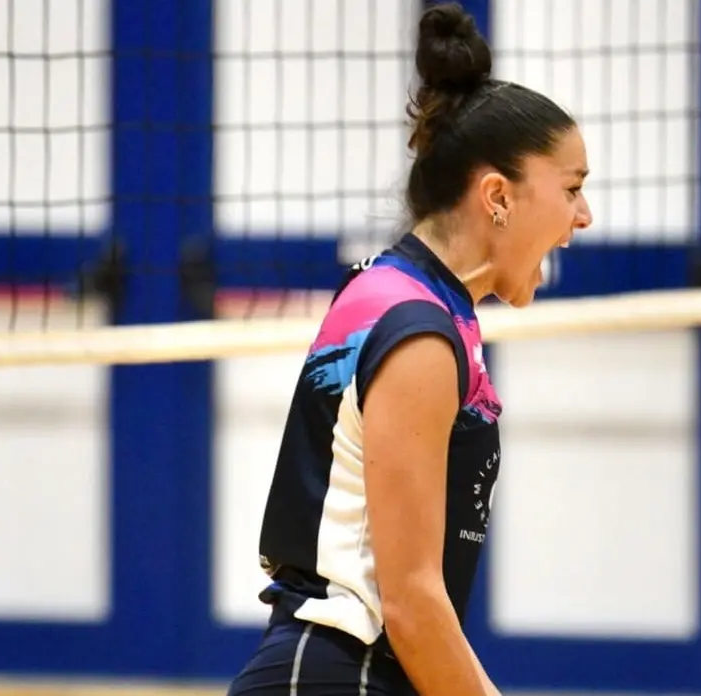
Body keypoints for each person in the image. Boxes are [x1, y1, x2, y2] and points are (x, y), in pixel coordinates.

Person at [225, 3, 592, 695]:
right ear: (497, 195)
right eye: (572, 188)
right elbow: (413, 603)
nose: (583, 216)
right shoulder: (418, 331)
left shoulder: (408, 298)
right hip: (341, 674)